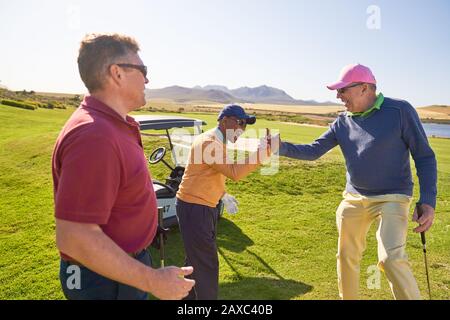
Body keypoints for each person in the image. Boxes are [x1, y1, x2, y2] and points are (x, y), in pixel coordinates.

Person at [273, 64, 437, 300]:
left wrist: (428, 201)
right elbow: (313, 151)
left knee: (390, 259)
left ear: (364, 88)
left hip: (393, 196)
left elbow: (424, 157)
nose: (338, 96)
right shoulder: (342, 122)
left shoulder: (399, 111)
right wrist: (280, 147)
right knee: (346, 256)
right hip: (355, 197)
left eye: (342, 91)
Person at [52, 33, 195, 300]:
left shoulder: (115, 126)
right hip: (105, 280)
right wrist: (152, 280)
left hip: (119, 269)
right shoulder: (95, 136)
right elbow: (75, 236)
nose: (148, 79)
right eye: (143, 70)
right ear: (117, 73)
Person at [176, 105, 271, 300]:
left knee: (195, 261)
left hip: (201, 206)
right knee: (207, 265)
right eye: (240, 122)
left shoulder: (218, 141)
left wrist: (222, 194)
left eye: (245, 125)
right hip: (195, 208)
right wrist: (263, 151)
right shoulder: (210, 143)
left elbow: (208, 175)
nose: (242, 129)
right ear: (224, 120)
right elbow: (234, 172)